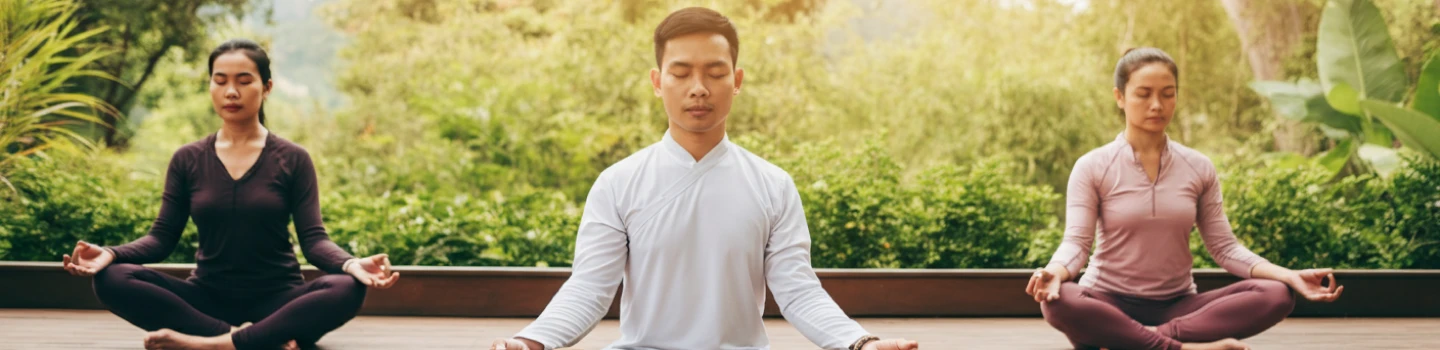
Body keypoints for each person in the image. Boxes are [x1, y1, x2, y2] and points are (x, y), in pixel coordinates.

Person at [487, 7, 919, 350]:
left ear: (737, 81)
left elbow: (798, 290)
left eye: (715, 73)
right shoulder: (618, 183)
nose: (699, 88)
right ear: (658, 82)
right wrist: (530, 341)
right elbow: (590, 288)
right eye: (681, 73)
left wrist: (859, 342)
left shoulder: (772, 185)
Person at [60, 39, 400, 350]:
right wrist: (109, 254)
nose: (231, 92)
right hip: (207, 297)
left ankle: (214, 344)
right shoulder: (188, 159)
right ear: (210, 86)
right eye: (220, 81)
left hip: (278, 300)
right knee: (112, 278)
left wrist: (352, 263)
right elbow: (160, 239)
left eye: (244, 80)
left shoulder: (293, 158)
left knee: (347, 287)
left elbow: (314, 241)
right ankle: (258, 340)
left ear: (266, 88)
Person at [1025, 47, 1344, 350]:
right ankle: (1177, 347)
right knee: (1059, 301)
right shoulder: (1092, 166)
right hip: (1107, 301)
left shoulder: (1197, 166)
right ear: (1119, 97)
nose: (1157, 105)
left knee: (1276, 295)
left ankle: (1133, 342)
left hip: (1176, 307)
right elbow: (1077, 243)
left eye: (1167, 93)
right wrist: (1055, 271)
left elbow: (1224, 247)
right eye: (1143, 93)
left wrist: (1288, 275)